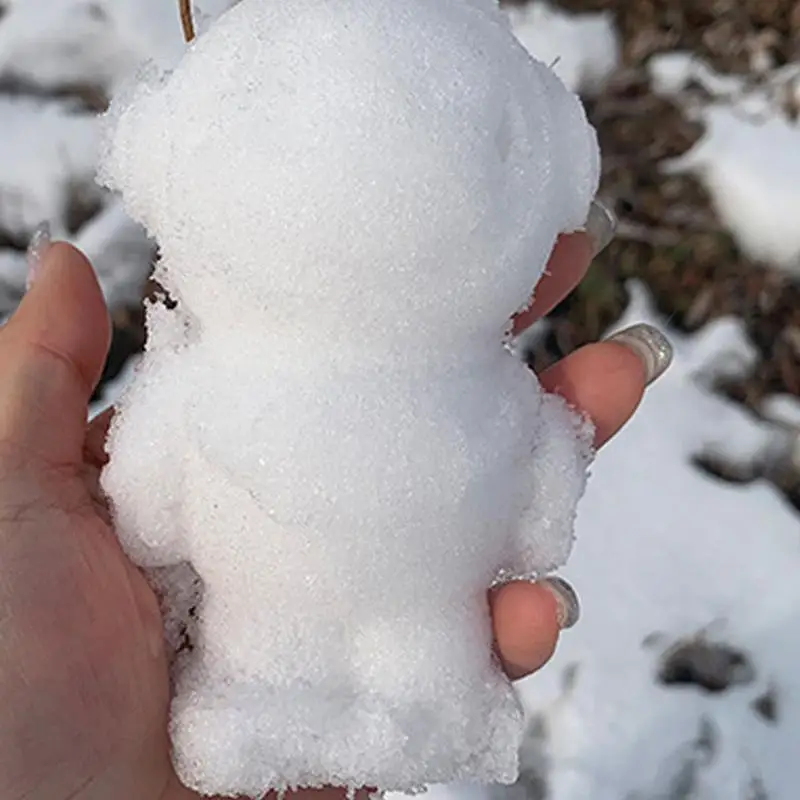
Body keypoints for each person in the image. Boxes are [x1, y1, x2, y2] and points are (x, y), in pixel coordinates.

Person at [0, 215, 671, 800]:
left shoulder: (471, 382)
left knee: (420, 654)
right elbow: (148, 486)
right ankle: (257, 716)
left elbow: (536, 457)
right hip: (260, 610)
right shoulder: (216, 372)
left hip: (424, 605)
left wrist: (541, 494)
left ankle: (427, 707)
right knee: (264, 653)